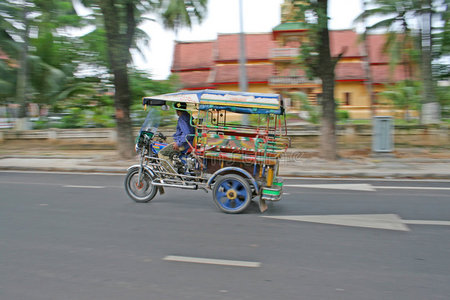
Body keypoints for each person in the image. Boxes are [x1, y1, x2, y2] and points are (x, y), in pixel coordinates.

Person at [158, 102, 194, 171]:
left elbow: (187, 134)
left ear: (177, 110)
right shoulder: (188, 116)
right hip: (187, 141)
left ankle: (172, 175)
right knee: (165, 140)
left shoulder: (182, 118)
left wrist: (178, 143)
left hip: (184, 144)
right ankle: (176, 164)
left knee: (161, 154)